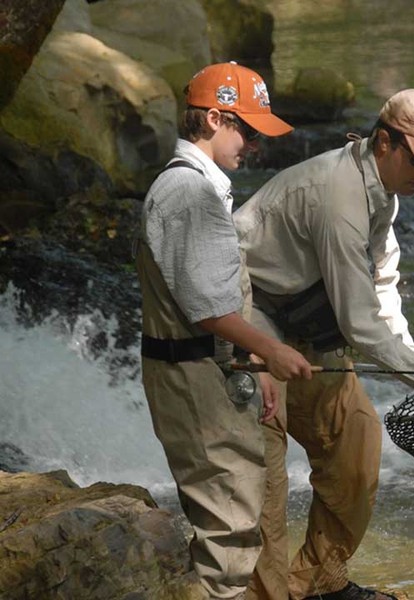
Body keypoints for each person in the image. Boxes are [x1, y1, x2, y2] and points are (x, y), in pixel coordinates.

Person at [234, 89, 414, 600]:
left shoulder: (381, 191)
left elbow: (382, 288)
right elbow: (358, 320)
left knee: (357, 439)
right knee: (267, 481)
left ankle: (318, 584)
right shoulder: (337, 196)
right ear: (385, 142)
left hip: (310, 325)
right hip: (251, 323)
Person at [135, 61, 313, 600]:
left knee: (232, 523)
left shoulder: (193, 186)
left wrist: (252, 361)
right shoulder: (190, 194)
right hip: (192, 378)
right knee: (228, 538)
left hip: (198, 368)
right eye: (248, 130)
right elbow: (207, 310)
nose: (254, 145)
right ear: (214, 118)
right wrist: (272, 350)